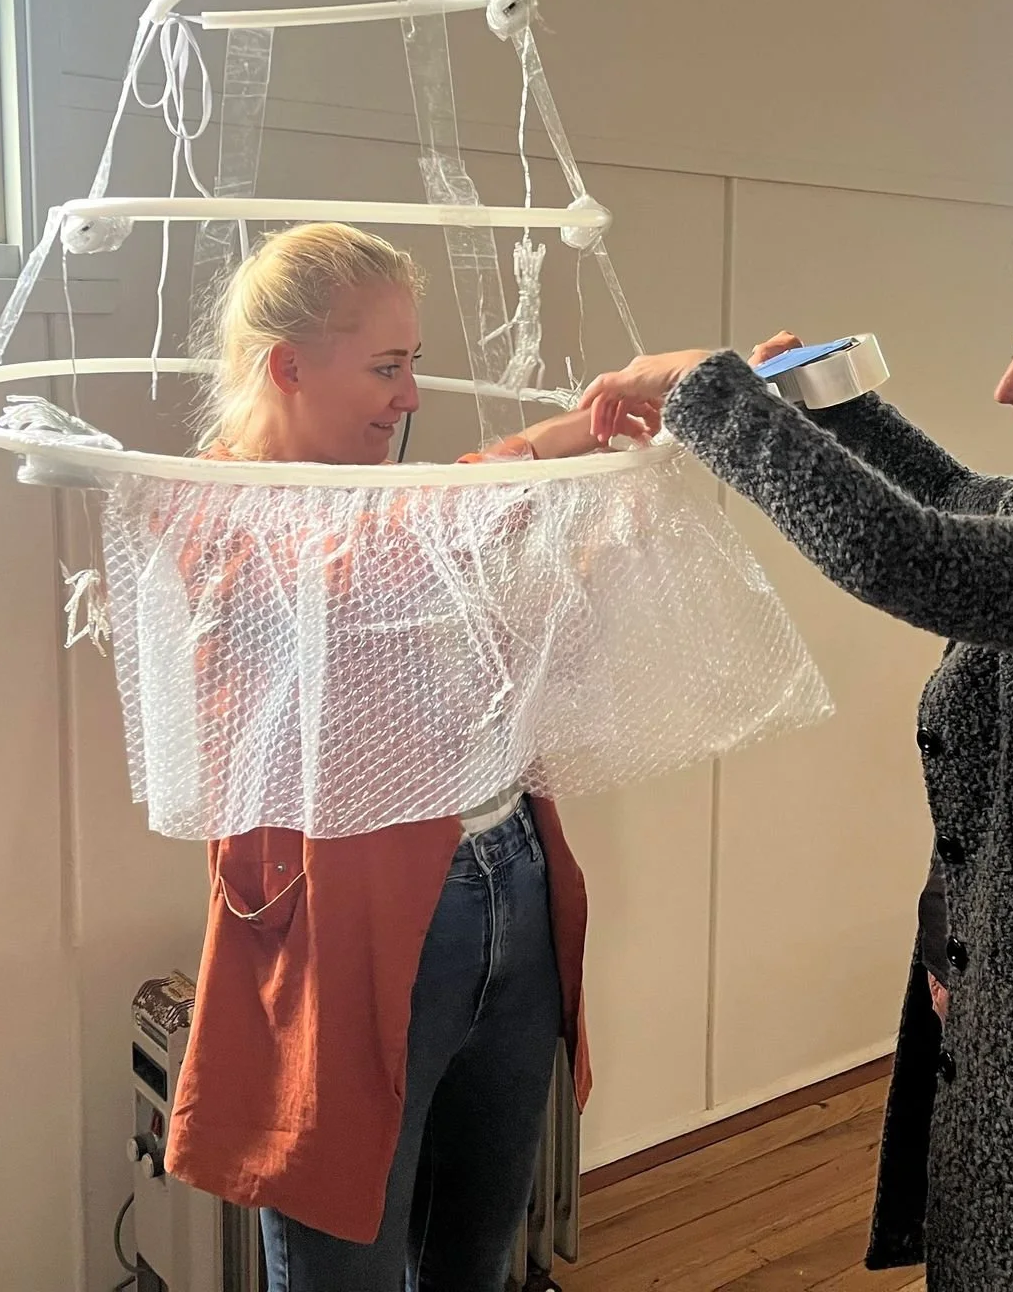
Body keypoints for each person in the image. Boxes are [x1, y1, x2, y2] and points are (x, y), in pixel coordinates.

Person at [579, 228, 1013, 1290]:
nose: (1003, 386)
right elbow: (947, 498)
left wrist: (712, 399)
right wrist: (826, 396)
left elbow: (907, 553)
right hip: (1007, 992)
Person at [161, 222, 653, 1290]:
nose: (409, 394)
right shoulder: (210, 504)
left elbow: (495, 662)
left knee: (475, 1250)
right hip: (348, 922)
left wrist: (599, 527)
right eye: (387, 366)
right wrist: (552, 443)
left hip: (506, 880)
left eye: (412, 363)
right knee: (345, 1252)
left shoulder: (388, 502)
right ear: (289, 367)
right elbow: (356, 563)